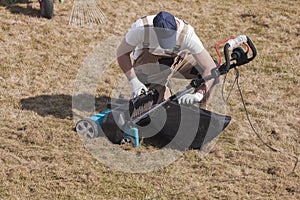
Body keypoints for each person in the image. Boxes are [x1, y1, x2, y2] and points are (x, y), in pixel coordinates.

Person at [117, 11, 217, 105]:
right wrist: (134, 81)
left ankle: (200, 113)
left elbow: (210, 67)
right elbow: (122, 53)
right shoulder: (141, 29)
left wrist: (200, 94)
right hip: (148, 68)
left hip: (175, 63)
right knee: (161, 108)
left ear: (176, 27)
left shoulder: (187, 34)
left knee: (214, 71)